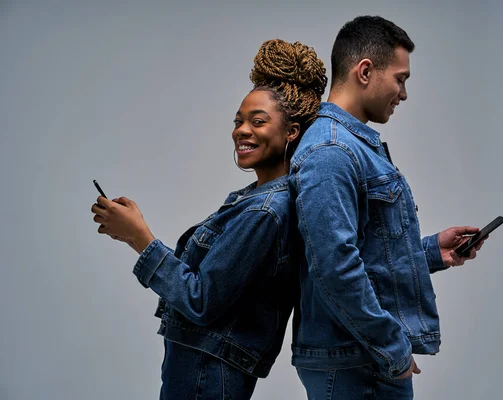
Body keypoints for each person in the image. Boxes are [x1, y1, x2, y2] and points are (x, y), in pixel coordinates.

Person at [90, 39, 327, 400]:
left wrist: (140, 238)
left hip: (207, 372)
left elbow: (200, 300)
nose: (241, 130)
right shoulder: (255, 200)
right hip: (201, 366)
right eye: (239, 120)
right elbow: (210, 284)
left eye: (258, 121)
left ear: (292, 131)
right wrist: (130, 234)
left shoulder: (266, 211)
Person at [288, 16, 485, 399]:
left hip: (360, 360)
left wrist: (431, 252)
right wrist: (392, 347)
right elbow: (335, 267)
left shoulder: (349, 146)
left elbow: (363, 253)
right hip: (358, 366)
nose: (404, 93)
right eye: (400, 78)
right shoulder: (332, 151)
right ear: (365, 71)